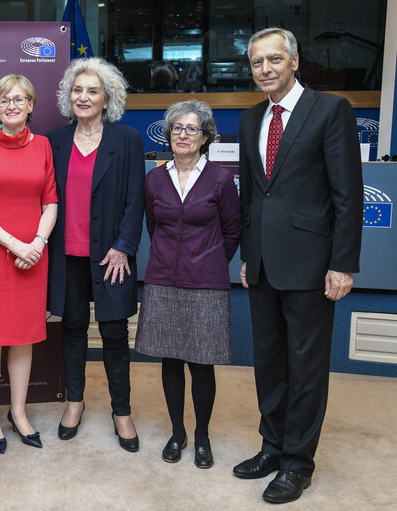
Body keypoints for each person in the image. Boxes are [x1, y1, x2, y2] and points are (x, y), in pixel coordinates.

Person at [234, 28, 363, 504]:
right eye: (256, 62)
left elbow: (347, 196)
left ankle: (297, 464)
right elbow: (251, 196)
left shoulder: (331, 110)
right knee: (269, 364)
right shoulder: (250, 121)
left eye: (273, 59)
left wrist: (342, 264)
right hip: (264, 264)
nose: (264, 69)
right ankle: (272, 446)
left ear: (294, 60)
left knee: (306, 367)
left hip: (313, 265)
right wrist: (248, 255)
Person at [135, 100, 241, 469]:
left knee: (201, 364)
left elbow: (231, 230)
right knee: (170, 358)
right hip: (163, 279)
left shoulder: (221, 179)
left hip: (206, 282)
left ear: (206, 137)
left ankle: (201, 437)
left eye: (191, 129)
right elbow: (153, 225)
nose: (183, 135)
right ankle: (177, 432)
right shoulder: (154, 178)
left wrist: (209, 261)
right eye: (177, 128)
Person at [46, 57, 145, 452]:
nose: (83, 97)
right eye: (77, 90)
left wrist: (123, 246)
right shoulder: (54, 140)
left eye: (93, 91)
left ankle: (122, 412)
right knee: (71, 332)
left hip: (110, 257)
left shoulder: (127, 140)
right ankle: (74, 402)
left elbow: (136, 200)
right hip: (65, 255)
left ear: (107, 99)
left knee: (114, 334)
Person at [0, 74, 58, 453]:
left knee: (24, 335)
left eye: (20, 99)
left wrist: (36, 242)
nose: (13, 106)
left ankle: (18, 413)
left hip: (34, 252)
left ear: (32, 104)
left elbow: (50, 202)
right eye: (5, 100)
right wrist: (15, 244)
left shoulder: (45, 146)